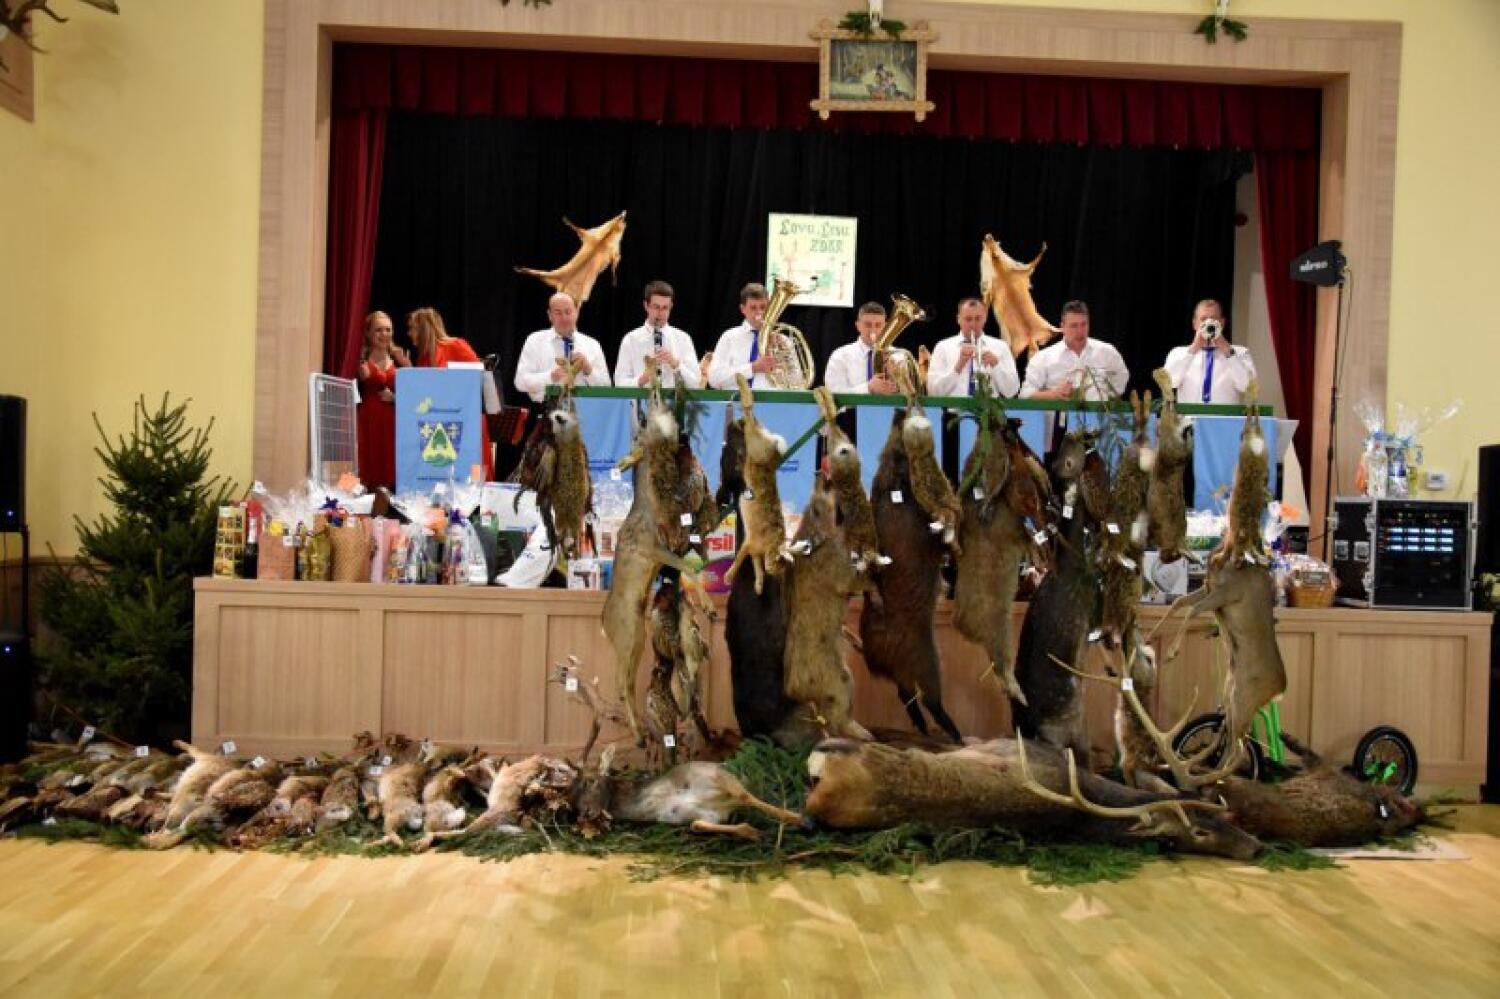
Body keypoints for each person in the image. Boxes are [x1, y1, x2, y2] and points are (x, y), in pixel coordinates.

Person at [408, 306, 493, 481]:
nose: (409, 333)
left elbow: (479, 377)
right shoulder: (423, 357)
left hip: (466, 421)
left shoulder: (455, 345)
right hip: (438, 424)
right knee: (443, 475)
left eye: (412, 328)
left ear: (424, 329)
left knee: (472, 473)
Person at [513, 292, 612, 404]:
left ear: (576, 313)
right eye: (558, 313)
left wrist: (589, 370)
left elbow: (606, 389)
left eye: (568, 312)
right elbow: (520, 382)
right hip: (546, 408)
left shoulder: (593, 345)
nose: (564, 318)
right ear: (550, 315)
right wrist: (551, 377)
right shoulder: (535, 341)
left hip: (586, 409)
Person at [708, 282, 812, 389]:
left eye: (763, 307)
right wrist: (753, 368)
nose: (759, 313)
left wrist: (785, 358)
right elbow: (714, 379)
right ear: (743, 309)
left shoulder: (783, 340)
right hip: (737, 398)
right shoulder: (729, 337)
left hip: (773, 399)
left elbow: (798, 383)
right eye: (753, 308)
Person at [1020, 300, 1129, 400]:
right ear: (1062, 327)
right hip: (1059, 414)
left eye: (1084, 324)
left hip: (1098, 414)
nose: (1080, 331)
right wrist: (1053, 394)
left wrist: (1105, 397)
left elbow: (1121, 377)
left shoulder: (1107, 352)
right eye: (1074, 326)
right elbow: (1025, 395)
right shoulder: (1044, 357)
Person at [1162, 299, 1257, 404]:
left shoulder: (1240, 352)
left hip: (1225, 414)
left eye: (1213, 319)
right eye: (1203, 319)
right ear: (1194, 323)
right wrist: (1193, 349)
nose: (1208, 324)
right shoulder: (1178, 353)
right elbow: (1169, 384)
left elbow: (1247, 387)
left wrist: (1227, 350)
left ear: (1222, 323)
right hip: (1188, 414)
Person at [355, 310, 408, 491]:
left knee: (390, 463)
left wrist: (408, 367)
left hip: (393, 421)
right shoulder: (360, 359)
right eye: (378, 330)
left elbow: (416, 394)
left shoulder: (400, 359)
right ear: (368, 333)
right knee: (366, 461)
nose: (384, 334)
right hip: (368, 419)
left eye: (388, 329)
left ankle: (388, 501)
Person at [613, 280, 701, 389]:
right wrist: (642, 379)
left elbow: (696, 383)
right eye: (656, 307)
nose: (660, 313)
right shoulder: (631, 340)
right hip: (642, 399)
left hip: (674, 400)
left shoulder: (683, 339)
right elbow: (619, 382)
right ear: (646, 305)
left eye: (665, 308)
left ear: (671, 306)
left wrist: (676, 364)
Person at [925, 297, 1021, 397]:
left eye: (978, 319)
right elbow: (933, 392)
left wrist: (996, 365)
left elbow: (1012, 391)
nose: (973, 324)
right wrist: (958, 367)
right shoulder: (943, 347)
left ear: (985, 318)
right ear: (958, 319)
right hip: (953, 407)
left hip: (988, 407)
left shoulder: (1001, 346)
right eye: (968, 319)